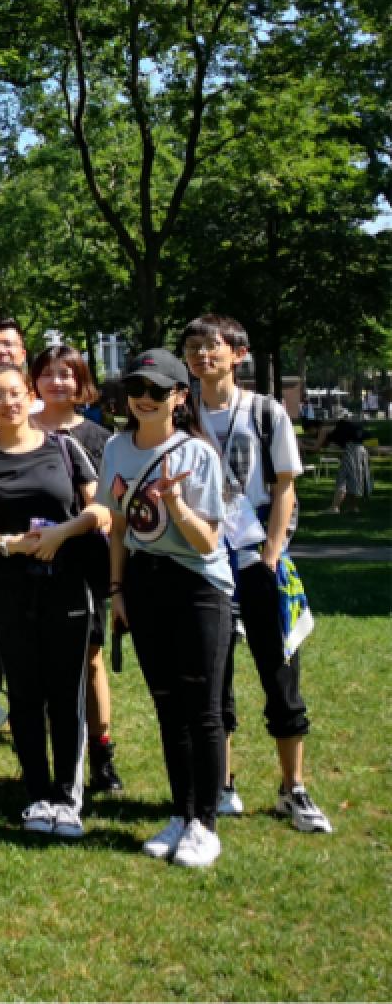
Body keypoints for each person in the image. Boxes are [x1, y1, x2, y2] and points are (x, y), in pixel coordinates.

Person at [181, 314, 331, 833]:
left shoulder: (266, 413)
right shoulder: (182, 413)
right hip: (204, 564)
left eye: (213, 345)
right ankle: (222, 783)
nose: (203, 355)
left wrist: (270, 555)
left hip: (257, 560)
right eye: (193, 347)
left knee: (280, 673)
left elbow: (285, 485)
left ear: (238, 354)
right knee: (213, 678)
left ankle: (294, 788)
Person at [102, 348, 235, 868]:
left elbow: (207, 543)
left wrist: (176, 504)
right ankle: (181, 814)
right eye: (136, 388)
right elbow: (118, 526)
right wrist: (117, 591)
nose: (144, 398)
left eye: (157, 390)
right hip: (143, 583)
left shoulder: (198, 454)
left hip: (197, 587)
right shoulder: (116, 448)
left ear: (179, 397)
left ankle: (206, 823)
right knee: (167, 706)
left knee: (202, 708)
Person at [0, 362, 110, 839]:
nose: (7, 402)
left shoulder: (65, 448)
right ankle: (36, 794)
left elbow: (100, 510)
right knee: (24, 692)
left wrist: (61, 533)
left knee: (66, 693)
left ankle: (68, 798)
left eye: (14, 392)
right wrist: (10, 544)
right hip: (11, 589)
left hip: (67, 584)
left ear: (28, 394)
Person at [32, 344, 123, 796]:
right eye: (48, 373)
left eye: (66, 374)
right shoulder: (19, 430)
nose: (57, 382)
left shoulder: (100, 438)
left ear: (81, 382)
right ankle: (46, 756)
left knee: (89, 658)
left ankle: (102, 754)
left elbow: (108, 509)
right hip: (28, 565)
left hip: (81, 564)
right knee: (37, 663)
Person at [318, 416, 372, 512]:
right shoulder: (349, 427)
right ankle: (353, 507)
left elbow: (326, 447)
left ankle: (335, 507)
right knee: (354, 480)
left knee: (342, 480)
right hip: (361, 451)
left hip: (352, 452)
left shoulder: (327, 430)